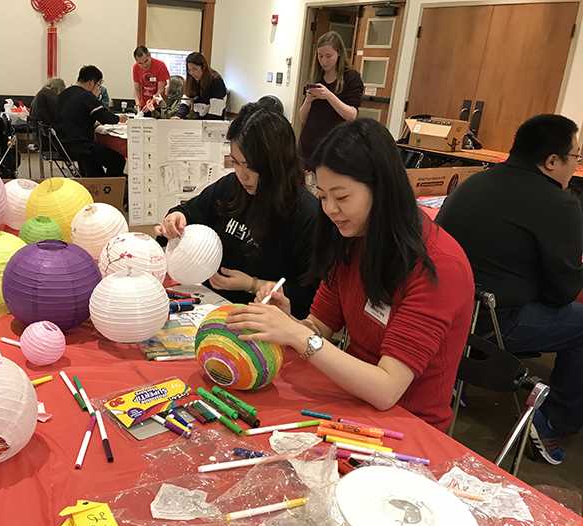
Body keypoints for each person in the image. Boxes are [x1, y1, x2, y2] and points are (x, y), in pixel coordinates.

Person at [227, 119, 474, 431]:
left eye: (342, 197)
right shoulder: (351, 239)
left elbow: (386, 389)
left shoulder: (438, 265)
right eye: (322, 196)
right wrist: (288, 322)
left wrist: (297, 335)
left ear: (382, 189)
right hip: (348, 400)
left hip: (405, 425)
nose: (330, 209)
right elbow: (319, 327)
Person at [437, 114, 583, 464]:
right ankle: (551, 423)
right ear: (551, 161)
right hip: (494, 324)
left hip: (448, 317)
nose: (576, 166)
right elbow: (562, 293)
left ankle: (462, 379)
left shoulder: (477, 182)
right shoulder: (559, 203)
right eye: (575, 157)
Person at [156, 103, 320, 318]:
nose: (242, 175)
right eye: (236, 163)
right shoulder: (231, 186)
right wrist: (176, 217)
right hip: (206, 303)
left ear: (276, 163)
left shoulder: (305, 213)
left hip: (258, 320)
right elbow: (190, 211)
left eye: (250, 166)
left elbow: (306, 297)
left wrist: (251, 284)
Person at [299, 32, 363, 166]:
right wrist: (308, 100)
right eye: (320, 56)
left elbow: (352, 115)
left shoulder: (351, 77)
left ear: (338, 53)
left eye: (328, 56)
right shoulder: (316, 77)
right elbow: (302, 118)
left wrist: (328, 95)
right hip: (308, 147)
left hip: (334, 148)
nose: (323, 61)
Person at [56, 65, 127, 178]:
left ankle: (97, 184)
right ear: (91, 83)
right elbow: (107, 118)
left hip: (60, 144)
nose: (99, 89)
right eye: (99, 85)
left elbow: (76, 116)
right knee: (117, 159)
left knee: (95, 159)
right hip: (79, 146)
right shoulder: (86, 95)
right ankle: (110, 189)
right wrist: (120, 118)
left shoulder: (64, 94)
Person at [176, 52, 227, 120]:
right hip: (198, 117)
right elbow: (186, 101)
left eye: (195, 69)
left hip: (212, 120)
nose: (192, 73)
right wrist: (178, 116)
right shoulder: (191, 80)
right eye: (189, 70)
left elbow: (215, 112)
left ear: (203, 67)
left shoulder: (216, 81)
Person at [31, 77, 66, 152]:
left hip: (38, 138)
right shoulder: (49, 95)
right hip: (49, 141)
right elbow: (59, 116)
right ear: (59, 89)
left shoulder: (41, 94)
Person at [133, 46, 169, 113]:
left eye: (146, 61)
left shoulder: (160, 65)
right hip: (144, 105)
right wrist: (137, 103)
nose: (144, 65)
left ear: (149, 55)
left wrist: (151, 103)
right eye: (140, 63)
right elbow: (136, 89)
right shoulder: (135, 68)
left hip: (159, 105)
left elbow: (161, 90)